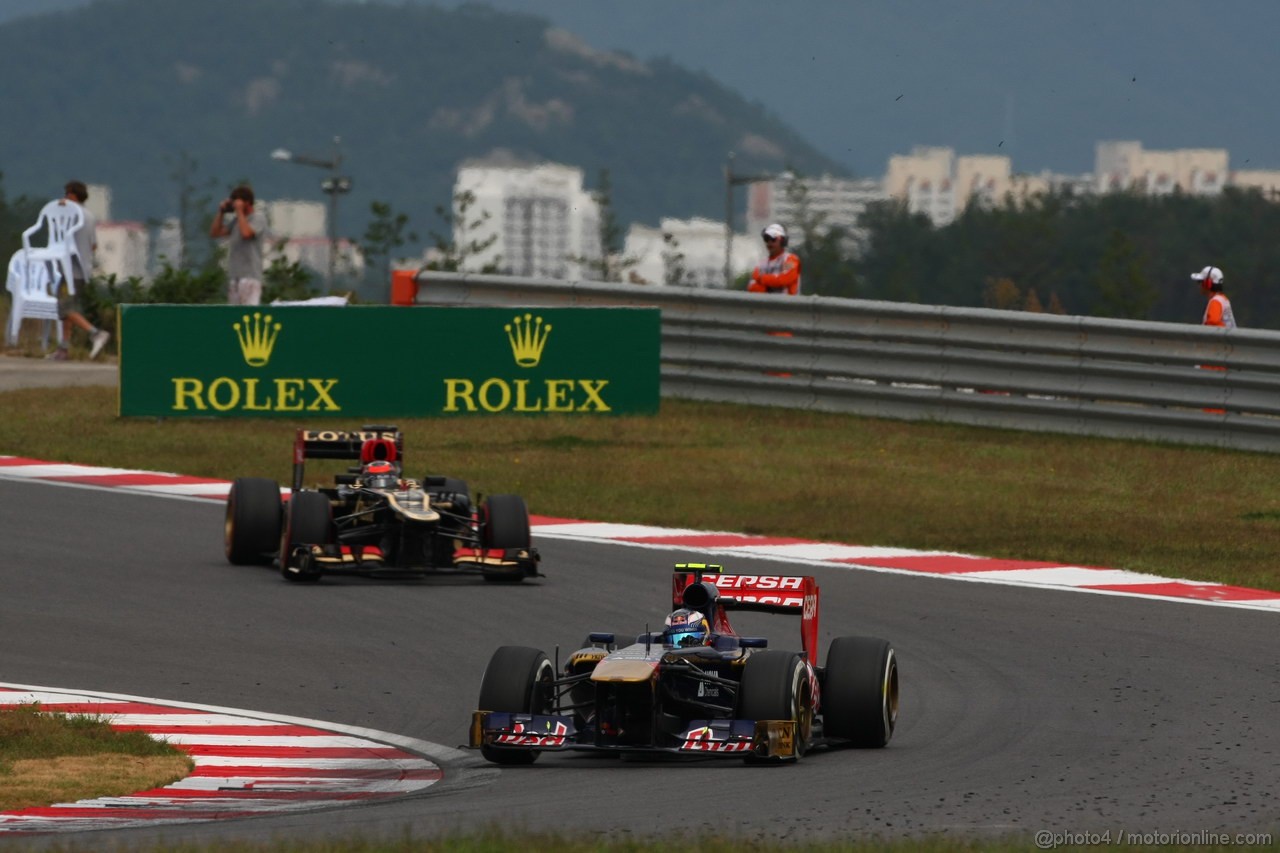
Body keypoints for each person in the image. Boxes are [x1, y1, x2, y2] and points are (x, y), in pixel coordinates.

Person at [48, 181, 111, 361]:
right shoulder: (89, 216)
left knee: (65, 308)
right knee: (68, 309)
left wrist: (62, 207)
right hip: (83, 271)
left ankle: (95, 333)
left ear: (72, 195)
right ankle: (63, 349)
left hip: (71, 271)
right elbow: (93, 246)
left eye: (67, 194)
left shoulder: (72, 214)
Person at [210, 184, 267, 305]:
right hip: (235, 276)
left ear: (247, 202)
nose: (235, 206)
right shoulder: (237, 221)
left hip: (250, 276)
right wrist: (221, 212)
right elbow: (215, 233)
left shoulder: (258, 218)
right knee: (234, 314)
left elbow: (246, 233)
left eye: (238, 202)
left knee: (248, 313)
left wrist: (240, 212)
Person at [747, 223, 802, 295]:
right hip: (766, 305)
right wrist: (772, 283)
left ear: (782, 241)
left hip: (789, 305)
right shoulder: (761, 264)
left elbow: (784, 279)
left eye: (773, 239)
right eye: (767, 239)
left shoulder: (790, 259)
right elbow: (752, 287)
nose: (769, 242)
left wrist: (761, 279)